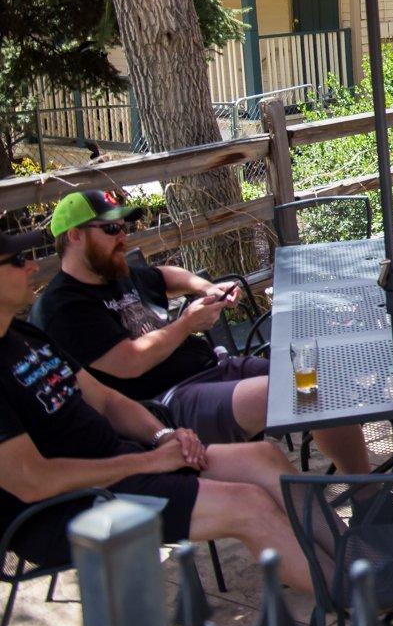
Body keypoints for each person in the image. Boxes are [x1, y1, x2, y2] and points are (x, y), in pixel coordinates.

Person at [0, 215, 320, 591]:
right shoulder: (60, 308)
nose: (34, 265)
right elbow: (32, 481)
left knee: (264, 458)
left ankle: (359, 561)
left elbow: (105, 401)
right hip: (66, 510)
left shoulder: (23, 334)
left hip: (122, 463)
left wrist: (164, 435)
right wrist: (149, 460)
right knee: (249, 504)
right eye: (19, 261)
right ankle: (360, 599)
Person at [34, 191, 371, 474]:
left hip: (212, 369)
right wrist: (187, 324)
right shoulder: (63, 306)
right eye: (111, 229)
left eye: (125, 226)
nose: (123, 236)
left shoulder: (114, 271)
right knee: (302, 390)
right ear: (75, 236)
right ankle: (366, 504)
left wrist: (205, 286)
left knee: (319, 380)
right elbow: (129, 363)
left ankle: (367, 498)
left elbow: (165, 276)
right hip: (168, 405)